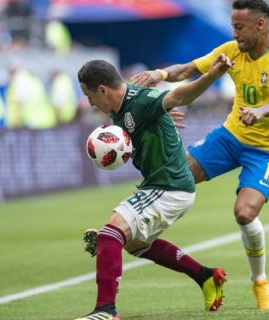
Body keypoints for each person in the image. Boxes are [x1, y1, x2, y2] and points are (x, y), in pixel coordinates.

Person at [131, 0, 269, 310]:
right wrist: (159, 74)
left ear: (260, 25)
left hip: (268, 149)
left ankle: (260, 281)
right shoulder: (231, 51)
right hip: (230, 137)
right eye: (232, 26)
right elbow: (187, 69)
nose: (234, 33)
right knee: (174, 174)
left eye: (240, 27)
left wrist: (262, 111)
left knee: (244, 213)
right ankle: (128, 228)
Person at [75, 55, 232, 320]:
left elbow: (181, 96)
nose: (89, 102)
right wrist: (164, 119)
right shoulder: (117, 108)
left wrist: (213, 75)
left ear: (102, 90)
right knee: (135, 244)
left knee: (110, 235)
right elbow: (149, 117)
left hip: (169, 186)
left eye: (89, 95)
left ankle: (105, 311)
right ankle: (206, 276)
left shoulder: (142, 100)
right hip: (161, 186)